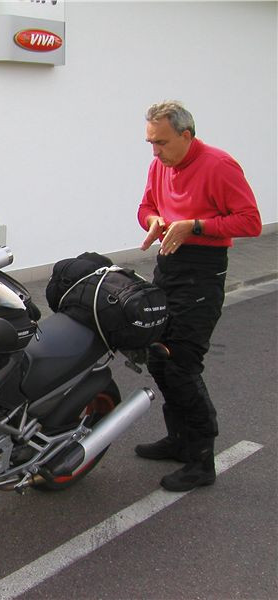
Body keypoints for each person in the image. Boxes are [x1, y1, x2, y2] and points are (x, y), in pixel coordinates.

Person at [136, 101, 261, 491]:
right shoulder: (160, 165)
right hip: (168, 266)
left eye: (161, 142)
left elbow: (251, 222)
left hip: (203, 272)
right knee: (157, 357)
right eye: (150, 142)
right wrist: (154, 221)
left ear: (186, 135)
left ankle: (202, 460)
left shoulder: (219, 165)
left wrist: (194, 226)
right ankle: (179, 440)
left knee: (182, 364)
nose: (155, 152)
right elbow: (146, 207)